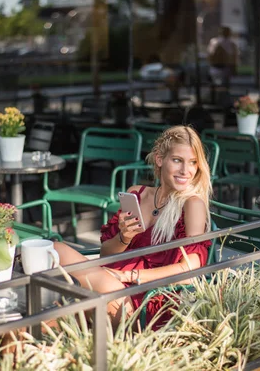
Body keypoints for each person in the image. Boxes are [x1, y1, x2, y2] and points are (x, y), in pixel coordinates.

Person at [53, 125, 213, 327]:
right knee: (55, 250)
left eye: (192, 163)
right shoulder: (138, 193)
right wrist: (124, 238)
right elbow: (105, 254)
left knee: (66, 289)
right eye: (177, 160)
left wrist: (128, 275)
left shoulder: (191, 204)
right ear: (159, 159)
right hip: (109, 280)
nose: (185, 170)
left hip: (144, 300)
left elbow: (189, 271)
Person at [207, 26, 238, 90]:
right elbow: (234, 57)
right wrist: (234, 68)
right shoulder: (231, 43)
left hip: (216, 68)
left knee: (216, 88)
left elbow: (209, 55)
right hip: (224, 68)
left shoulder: (214, 41)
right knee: (224, 88)